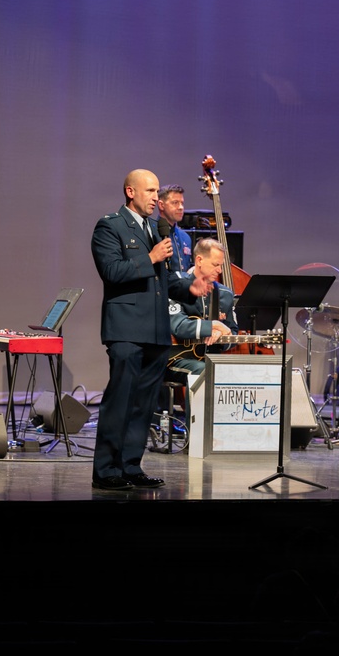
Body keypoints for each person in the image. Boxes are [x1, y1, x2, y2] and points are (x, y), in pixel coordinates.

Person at [90, 169, 210, 491]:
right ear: (131, 192)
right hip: (127, 330)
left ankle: (130, 465)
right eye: (150, 191)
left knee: (145, 405)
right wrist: (150, 256)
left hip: (156, 332)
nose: (156, 198)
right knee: (121, 400)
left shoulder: (157, 231)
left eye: (157, 191)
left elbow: (166, 281)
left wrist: (190, 290)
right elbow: (112, 271)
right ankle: (105, 470)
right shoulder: (110, 226)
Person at [168, 237, 238, 376]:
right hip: (175, 359)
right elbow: (178, 326)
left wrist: (220, 336)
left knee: (235, 372)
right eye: (215, 264)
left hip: (209, 359)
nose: (219, 270)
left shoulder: (226, 294)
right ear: (199, 260)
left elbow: (233, 333)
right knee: (206, 371)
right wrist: (213, 326)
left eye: (221, 265)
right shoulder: (178, 286)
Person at [156, 184, 194, 273]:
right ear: (161, 205)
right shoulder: (151, 232)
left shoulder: (185, 237)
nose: (181, 207)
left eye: (182, 203)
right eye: (175, 203)